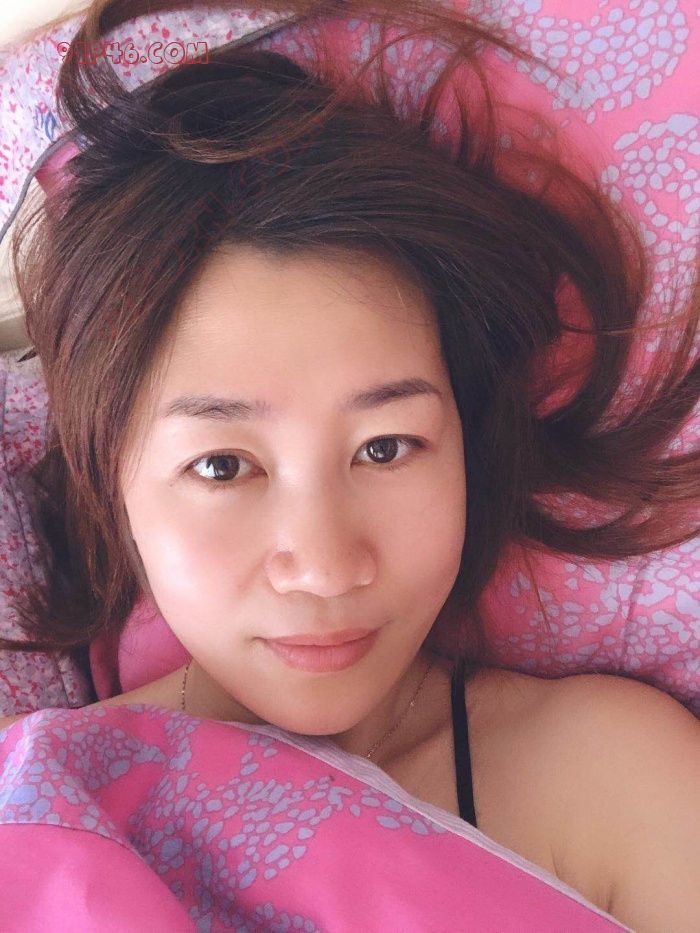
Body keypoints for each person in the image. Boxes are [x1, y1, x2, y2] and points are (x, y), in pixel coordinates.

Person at [0, 1, 698, 930]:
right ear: (112, 480)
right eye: (223, 466)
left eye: (385, 447)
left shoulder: (611, 781)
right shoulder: (43, 803)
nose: (327, 566)